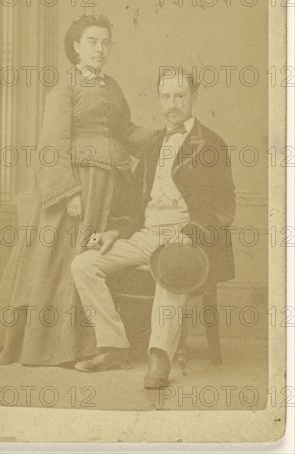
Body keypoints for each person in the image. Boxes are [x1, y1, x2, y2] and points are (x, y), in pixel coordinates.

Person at [0, 15, 155, 366]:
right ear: (76, 47)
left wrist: (162, 140)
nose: (100, 49)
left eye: (106, 42)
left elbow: (125, 130)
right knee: (64, 264)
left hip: (110, 190)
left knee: (99, 256)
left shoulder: (113, 87)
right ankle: (62, 345)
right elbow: (52, 145)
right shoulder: (65, 88)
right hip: (76, 191)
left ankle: (102, 344)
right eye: (92, 41)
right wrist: (70, 193)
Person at [71, 67, 236, 388]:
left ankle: (159, 357)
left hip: (188, 239)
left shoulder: (212, 145)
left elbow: (223, 208)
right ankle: (114, 346)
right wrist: (113, 231)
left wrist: (190, 233)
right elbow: (132, 201)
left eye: (179, 96)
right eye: (166, 96)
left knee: (172, 265)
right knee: (84, 263)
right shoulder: (153, 144)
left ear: (194, 97)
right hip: (145, 235)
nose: (172, 104)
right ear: (159, 99)